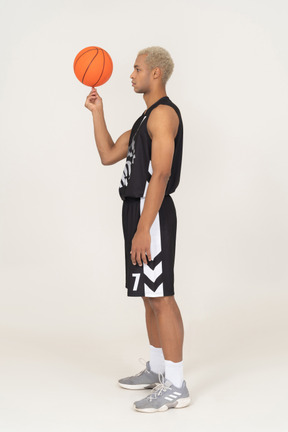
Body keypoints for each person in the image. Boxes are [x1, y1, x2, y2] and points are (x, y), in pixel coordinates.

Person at [84, 46, 190, 413]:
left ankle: (176, 385)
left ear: (156, 73)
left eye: (136, 68)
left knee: (162, 297)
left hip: (153, 213)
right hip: (138, 212)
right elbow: (108, 153)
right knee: (149, 294)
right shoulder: (145, 121)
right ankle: (158, 368)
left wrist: (145, 227)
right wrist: (98, 112)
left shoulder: (163, 116)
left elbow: (160, 173)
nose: (131, 74)